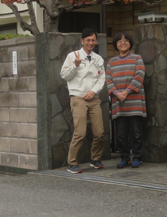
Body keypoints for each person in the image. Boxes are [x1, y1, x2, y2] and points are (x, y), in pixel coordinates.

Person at [60, 28, 106, 174]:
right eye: (88, 40)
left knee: (99, 132)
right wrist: (76, 65)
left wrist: (94, 91)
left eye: (93, 40)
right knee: (80, 132)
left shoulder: (98, 59)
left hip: (94, 98)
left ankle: (95, 159)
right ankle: (71, 163)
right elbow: (64, 75)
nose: (91, 43)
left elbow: (101, 78)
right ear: (82, 41)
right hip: (78, 98)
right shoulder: (73, 56)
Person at [106, 32, 146, 168]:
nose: (123, 43)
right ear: (116, 44)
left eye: (126, 40)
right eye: (119, 41)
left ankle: (137, 158)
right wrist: (117, 94)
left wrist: (126, 92)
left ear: (130, 43)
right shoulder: (111, 62)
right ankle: (124, 158)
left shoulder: (137, 58)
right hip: (119, 103)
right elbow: (108, 80)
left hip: (134, 103)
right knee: (121, 134)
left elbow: (140, 75)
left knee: (136, 133)